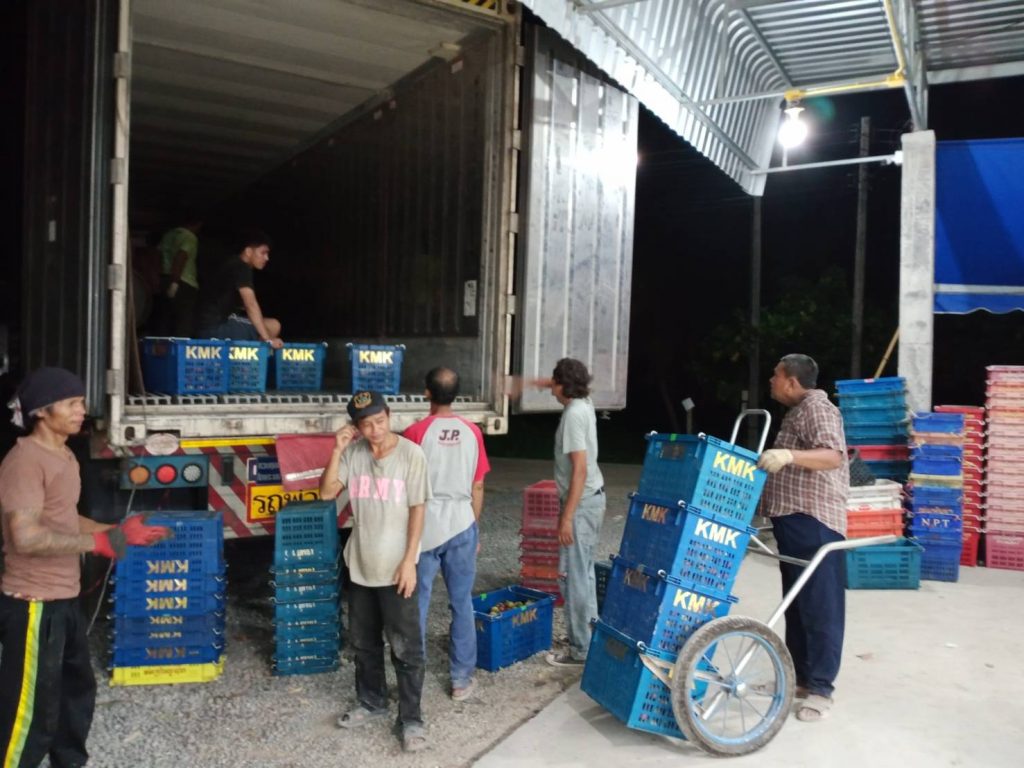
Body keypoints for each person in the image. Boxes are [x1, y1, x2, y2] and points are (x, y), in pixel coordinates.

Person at [0, 367, 170, 768]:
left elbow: (64, 520)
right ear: (42, 411)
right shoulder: (24, 462)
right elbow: (25, 537)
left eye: (81, 401)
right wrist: (99, 544)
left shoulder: (64, 456)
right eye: (72, 403)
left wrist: (116, 532)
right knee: (30, 715)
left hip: (64, 600)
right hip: (33, 603)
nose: (82, 410)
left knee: (74, 696)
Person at [319, 390, 430, 753]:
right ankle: (371, 702)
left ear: (389, 415)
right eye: (366, 425)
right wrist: (337, 450)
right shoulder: (354, 454)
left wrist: (409, 561)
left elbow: (418, 509)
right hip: (361, 565)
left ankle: (411, 720)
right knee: (364, 644)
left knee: (406, 648)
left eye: (380, 421)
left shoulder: (411, 455)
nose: (375, 430)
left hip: (398, 569)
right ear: (356, 427)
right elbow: (326, 493)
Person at [756, 353, 850, 723]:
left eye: (776, 375)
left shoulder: (818, 408)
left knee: (821, 607)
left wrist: (788, 455)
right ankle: (799, 678)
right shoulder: (796, 412)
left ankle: (822, 689)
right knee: (796, 605)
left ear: (792, 381)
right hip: (792, 522)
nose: (771, 381)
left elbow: (832, 456)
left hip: (815, 523)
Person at [403, 367, 490, 701]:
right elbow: (477, 485)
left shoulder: (414, 432)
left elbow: (406, 485)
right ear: (457, 394)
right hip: (461, 521)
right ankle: (460, 680)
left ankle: (414, 677)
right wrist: (473, 525)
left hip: (424, 525)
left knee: (417, 605)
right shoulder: (472, 432)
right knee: (461, 603)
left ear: (427, 392)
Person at [540, 358, 605, 666]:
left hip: (580, 506)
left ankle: (580, 650)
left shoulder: (572, 416)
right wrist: (530, 383)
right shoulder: (584, 402)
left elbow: (579, 469)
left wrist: (566, 517)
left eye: (553, 384)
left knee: (573, 579)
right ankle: (589, 640)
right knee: (584, 575)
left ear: (563, 386)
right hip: (591, 501)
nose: (550, 389)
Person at [195, 229, 284, 348]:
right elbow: (250, 304)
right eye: (263, 253)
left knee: (262, 324)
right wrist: (268, 340)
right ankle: (255, 358)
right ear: (248, 251)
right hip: (216, 329)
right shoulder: (242, 268)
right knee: (273, 326)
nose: (267, 258)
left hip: (205, 328)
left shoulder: (231, 264)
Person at [156, 218, 202, 337]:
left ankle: (163, 345)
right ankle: (180, 347)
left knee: (166, 318)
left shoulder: (168, 235)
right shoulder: (189, 237)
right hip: (183, 282)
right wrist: (175, 282)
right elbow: (181, 256)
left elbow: (158, 257)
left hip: (165, 279)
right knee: (184, 321)